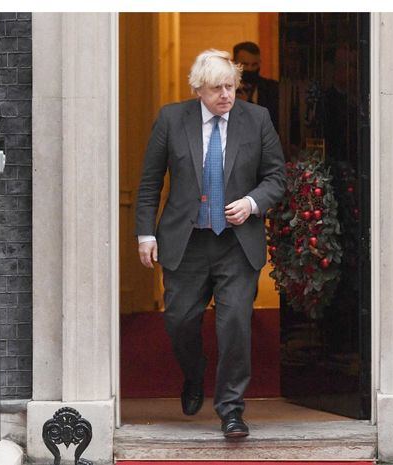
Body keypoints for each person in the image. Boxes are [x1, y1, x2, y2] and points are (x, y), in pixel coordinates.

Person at [135, 49, 285, 438]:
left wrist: (252, 203)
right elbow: (151, 181)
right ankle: (194, 371)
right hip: (186, 243)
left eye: (231, 87)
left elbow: (276, 178)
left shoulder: (257, 119)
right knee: (178, 320)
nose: (226, 95)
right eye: (217, 88)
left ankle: (231, 411)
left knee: (235, 323)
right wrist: (145, 234)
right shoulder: (172, 118)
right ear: (198, 89)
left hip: (237, 244)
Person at [233, 41, 280, 132]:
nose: (250, 69)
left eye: (254, 65)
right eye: (245, 64)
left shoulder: (272, 89)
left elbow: (274, 124)